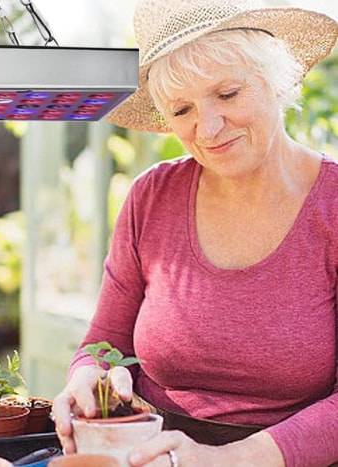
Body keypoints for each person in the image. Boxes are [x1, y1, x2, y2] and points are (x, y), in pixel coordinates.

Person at [51, 0, 338, 466]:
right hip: (150, 455)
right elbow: (102, 344)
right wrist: (87, 375)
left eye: (227, 94)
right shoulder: (152, 196)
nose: (208, 128)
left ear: (276, 80)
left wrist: (229, 459)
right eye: (182, 109)